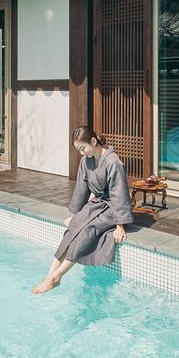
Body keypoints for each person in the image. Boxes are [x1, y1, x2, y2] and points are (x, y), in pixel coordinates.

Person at [32, 126, 134, 294]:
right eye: (78, 150)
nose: (81, 153)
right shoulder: (86, 160)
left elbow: (119, 193)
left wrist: (120, 225)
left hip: (112, 208)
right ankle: (50, 274)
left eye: (83, 148)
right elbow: (81, 188)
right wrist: (76, 215)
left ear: (93, 142)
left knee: (86, 231)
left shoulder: (113, 161)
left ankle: (58, 276)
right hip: (97, 204)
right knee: (73, 227)